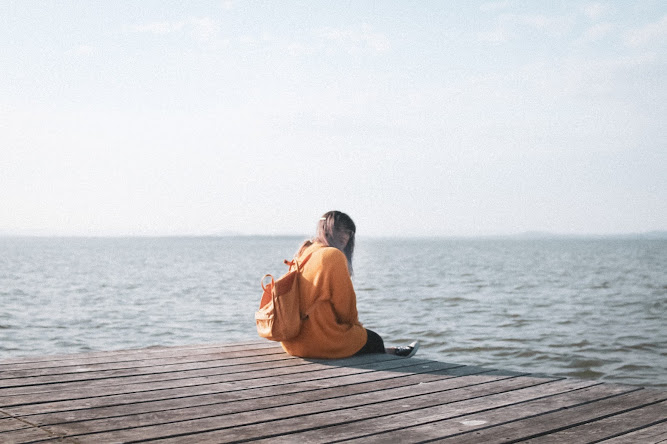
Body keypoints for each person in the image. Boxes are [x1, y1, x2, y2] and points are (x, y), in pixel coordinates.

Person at [280, 210, 419, 359]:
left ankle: (390, 350)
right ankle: (392, 352)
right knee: (373, 339)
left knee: (367, 339)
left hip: (292, 342)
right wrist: (356, 328)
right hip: (317, 342)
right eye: (340, 229)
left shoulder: (305, 251)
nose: (345, 235)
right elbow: (345, 306)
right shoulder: (333, 255)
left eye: (349, 231)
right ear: (326, 228)